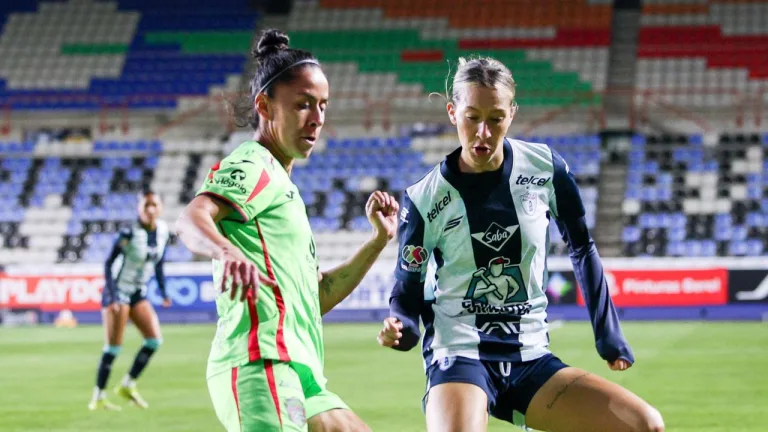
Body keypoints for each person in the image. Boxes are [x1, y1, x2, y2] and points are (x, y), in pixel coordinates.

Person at [377, 56, 665, 432]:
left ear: (512, 114)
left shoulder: (545, 168)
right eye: (472, 117)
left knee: (644, 424)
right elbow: (407, 293)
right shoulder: (425, 199)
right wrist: (402, 329)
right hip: (459, 353)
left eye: (496, 118)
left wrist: (608, 333)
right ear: (452, 113)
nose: (483, 132)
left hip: (531, 357)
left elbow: (582, 247)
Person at [175, 29, 398, 432]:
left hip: (298, 370)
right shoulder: (254, 164)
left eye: (323, 105)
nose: (317, 118)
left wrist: (377, 241)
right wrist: (225, 251)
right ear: (264, 105)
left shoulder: (283, 186)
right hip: (260, 365)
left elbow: (317, 296)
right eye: (303, 104)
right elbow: (192, 217)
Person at [89, 190, 172, 411]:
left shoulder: (163, 231)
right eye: (146, 205)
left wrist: (163, 291)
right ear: (139, 208)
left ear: (161, 207)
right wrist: (113, 296)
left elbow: (159, 263)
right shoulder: (129, 232)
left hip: (137, 292)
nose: (150, 210)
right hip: (118, 292)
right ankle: (98, 396)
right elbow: (108, 263)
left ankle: (127, 385)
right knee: (114, 347)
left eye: (154, 205)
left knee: (154, 341)